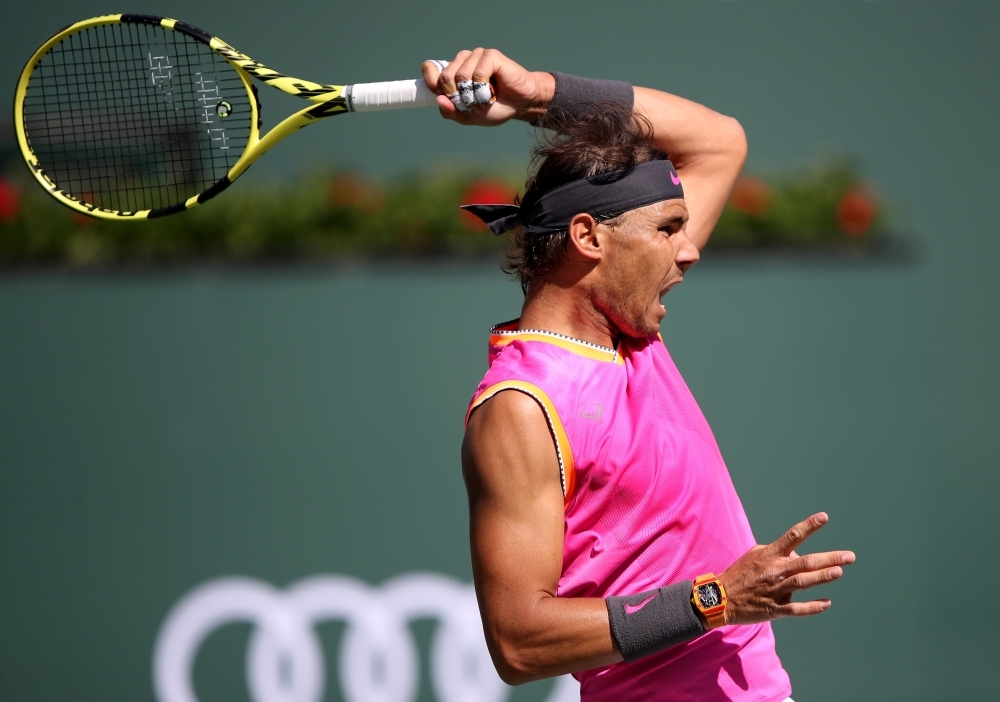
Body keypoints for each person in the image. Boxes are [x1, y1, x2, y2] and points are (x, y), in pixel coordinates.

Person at [421, 50, 855, 702]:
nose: (690, 250)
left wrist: (539, 94)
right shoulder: (521, 407)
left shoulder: (632, 335)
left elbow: (718, 141)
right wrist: (715, 599)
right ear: (590, 237)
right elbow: (518, 642)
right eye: (668, 229)